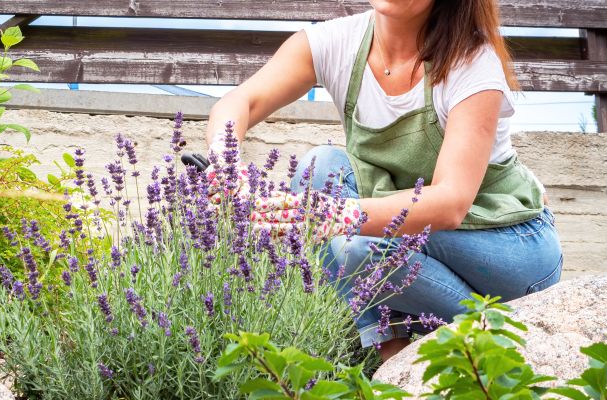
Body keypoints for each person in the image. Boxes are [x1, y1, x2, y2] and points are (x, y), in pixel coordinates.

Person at [202, 0, 563, 361]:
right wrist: (225, 165)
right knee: (320, 167)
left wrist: (331, 214)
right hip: (423, 240)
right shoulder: (335, 42)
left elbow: (451, 203)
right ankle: (391, 356)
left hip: (509, 247)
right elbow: (241, 102)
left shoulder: (471, 63)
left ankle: (510, 338)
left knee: (359, 249)